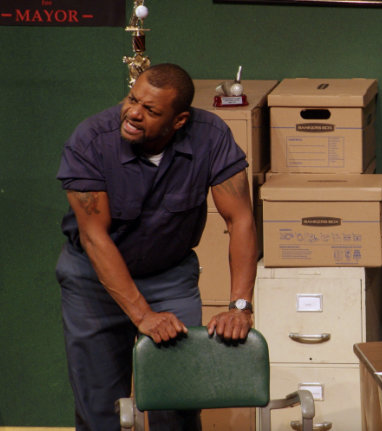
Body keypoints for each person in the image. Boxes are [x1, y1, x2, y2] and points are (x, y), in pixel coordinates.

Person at [55, 63, 258, 430]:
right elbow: (94, 237)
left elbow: (240, 219)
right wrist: (142, 315)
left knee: (177, 401)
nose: (134, 113)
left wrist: (240, 306)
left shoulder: (210, 137)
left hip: (168, 277)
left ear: (179, 121)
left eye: (150, 110)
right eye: (133, 100)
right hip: (92, 281)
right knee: (100, 407)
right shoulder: (91, 140)